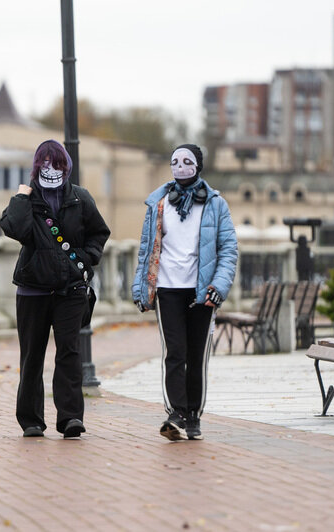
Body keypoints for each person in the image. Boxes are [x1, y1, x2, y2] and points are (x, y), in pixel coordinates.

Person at [0, 140, 110, 439]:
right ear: (36, 167)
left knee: (69, 354)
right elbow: (16, 229)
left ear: (67, 167)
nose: (52, 169)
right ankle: (31, 421)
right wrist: (22, 196)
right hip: (32, 290)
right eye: (45, 164)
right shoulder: (27, 200)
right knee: (32, 356)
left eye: (57, 163)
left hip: (70, 290)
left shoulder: (80, 198)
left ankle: (71, 417)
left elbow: (99, 233)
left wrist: (86, 260)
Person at [132, 144, 237, 441]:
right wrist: (141, 288)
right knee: (174, 353)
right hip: (167, 288)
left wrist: (218, 286)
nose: (180, 166)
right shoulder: (159, 202)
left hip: (202, 291)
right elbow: (145, 249)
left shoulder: (216, 204)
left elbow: (229, 249)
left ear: (198, 165)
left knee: (197, 355)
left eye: (187, 161)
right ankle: (175, 413)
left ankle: (194, 416)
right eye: (175, 161)